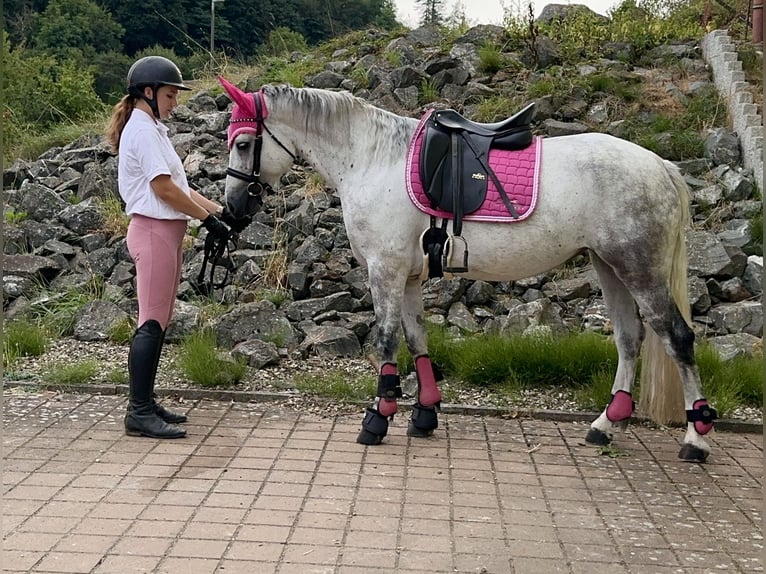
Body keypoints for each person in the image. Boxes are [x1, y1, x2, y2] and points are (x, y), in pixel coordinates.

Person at [105, 55, 241, 439]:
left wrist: (217, 211)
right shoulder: (144, 131)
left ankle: (146, 401)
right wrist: (207, 219)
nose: (174, 102)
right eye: (169, 95)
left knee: (158, 321)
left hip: (164, 232)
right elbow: (162, 189)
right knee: (150, 322)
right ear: (147, 92)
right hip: (153, 231)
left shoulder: (152, 128)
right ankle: (139, 411)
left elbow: (178, 188)